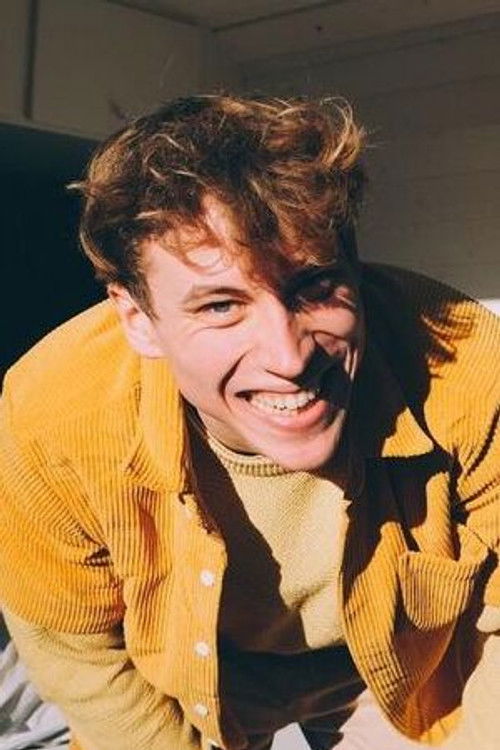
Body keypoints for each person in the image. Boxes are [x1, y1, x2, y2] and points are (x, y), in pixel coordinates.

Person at [0, 94, 499, 750]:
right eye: (220, 306)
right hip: (185, 674)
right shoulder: (52, 414)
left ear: (356, 272)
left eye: (314, 288)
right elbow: (78, 652)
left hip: (409, 659)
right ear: (137, 320)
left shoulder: (465, 361)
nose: (289, 359)